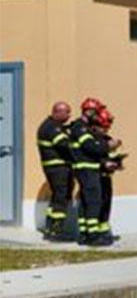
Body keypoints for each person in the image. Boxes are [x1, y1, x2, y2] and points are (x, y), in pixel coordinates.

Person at [70, 98, 109, 246]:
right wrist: (107, 146)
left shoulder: (85, 127)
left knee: (87, 201)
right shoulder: (80, 128)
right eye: (97, 112)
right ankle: (93, 235)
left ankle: (85, 233)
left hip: (87, 169)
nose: (98, 115)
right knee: (93, 201)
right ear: (89, 111)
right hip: (86, 169)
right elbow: (92, 147)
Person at [35, 101, 73, 241]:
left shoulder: (53, 126)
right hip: (58, 169)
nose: (69, 115)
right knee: (60, 198)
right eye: (67, 112)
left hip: (56, 168)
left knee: (57, 197)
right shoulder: (51, 128)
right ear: (57, 112)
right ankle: (57, 231)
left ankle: (50, 228)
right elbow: (65, 146)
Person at [96, 107, 126, 244]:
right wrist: (104, 164)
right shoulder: (93, 139)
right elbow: (93, 155)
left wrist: (117, 161)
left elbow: (110, 155)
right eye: (103, 127)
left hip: (106, 176)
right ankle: (96, 233)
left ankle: (105, 230)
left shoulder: (107, 139)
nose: (106, 130)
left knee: (106, 204)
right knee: (96, 205)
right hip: (96, 176)